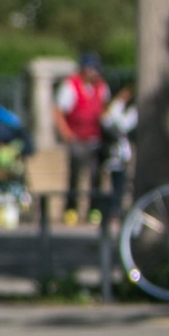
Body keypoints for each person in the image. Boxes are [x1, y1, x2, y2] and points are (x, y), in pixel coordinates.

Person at [55, 52, 111, 223]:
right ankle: (71, 210)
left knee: (96, 176)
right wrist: (66, 132)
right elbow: (58, 111)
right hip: (77, 138)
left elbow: (105, 108)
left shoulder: (101, 87)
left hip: (95, 136)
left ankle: (94, 210)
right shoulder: (70, 86)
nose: (93, 72)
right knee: (75, 175)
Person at [101, 83, 138, 220]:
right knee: (114, 184)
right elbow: (116, 124)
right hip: (114, 152)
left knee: (122, 184)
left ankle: (117, 209)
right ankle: (112, 210)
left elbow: (126, 124)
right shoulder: (113, 109)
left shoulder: (127, 109)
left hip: (124, 152)